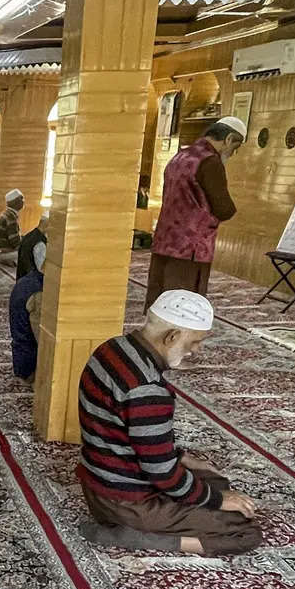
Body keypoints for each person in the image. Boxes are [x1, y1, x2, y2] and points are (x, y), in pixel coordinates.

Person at [77, 290, 260, 555]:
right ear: (171, 336)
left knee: (215, 480)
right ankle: (135, 536)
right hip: (128, 502)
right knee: (244, 530)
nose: (196, 351)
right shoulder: (147, 389)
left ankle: (143, 521)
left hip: (98, 482)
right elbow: (161, 473)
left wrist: (183, 459)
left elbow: (129, 433)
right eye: (194, 342)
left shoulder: (112, 348)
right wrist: (217, 501)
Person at [146, 117, 244, 310]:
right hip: (190, 249)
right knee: (183, 307)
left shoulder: (179, 156)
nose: (233, 154)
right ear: (228, 139)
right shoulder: (210, 162)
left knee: (161, 302)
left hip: (164, 241)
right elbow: (223, 208)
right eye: (235, 147)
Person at [9, 241, 46, 380]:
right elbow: (43, 341)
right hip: (30, 366)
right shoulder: (38, 293)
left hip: (21, 358)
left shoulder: (27, 281)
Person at [0, 188, 27, 269]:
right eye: (22, 199)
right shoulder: (10, 217)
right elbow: (15, 242)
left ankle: (11, 261)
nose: (24, 201)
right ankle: (10, 260)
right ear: (15, 202)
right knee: (31, 251)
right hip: (3, 253)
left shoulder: (8, 214)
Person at [16, 217, 47, 283]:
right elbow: (42, 270)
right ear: (47, 225)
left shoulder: (28, 235)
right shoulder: (40, 243)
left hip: (22, 280)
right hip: (32, 283)